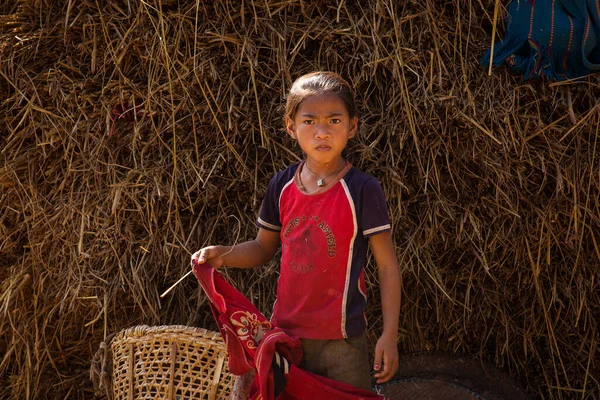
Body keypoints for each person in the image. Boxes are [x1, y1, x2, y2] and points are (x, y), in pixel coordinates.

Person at [191, 71, 401, 391]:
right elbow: (263, 248)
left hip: (343, 342)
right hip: (288, 340)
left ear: (352, 126)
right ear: (291, 128)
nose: (321, 132)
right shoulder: (282, 186)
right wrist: (224, 255)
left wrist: (389, 335)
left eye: (334, 120)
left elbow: (387, 266)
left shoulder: (362, 189)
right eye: (309, 121)